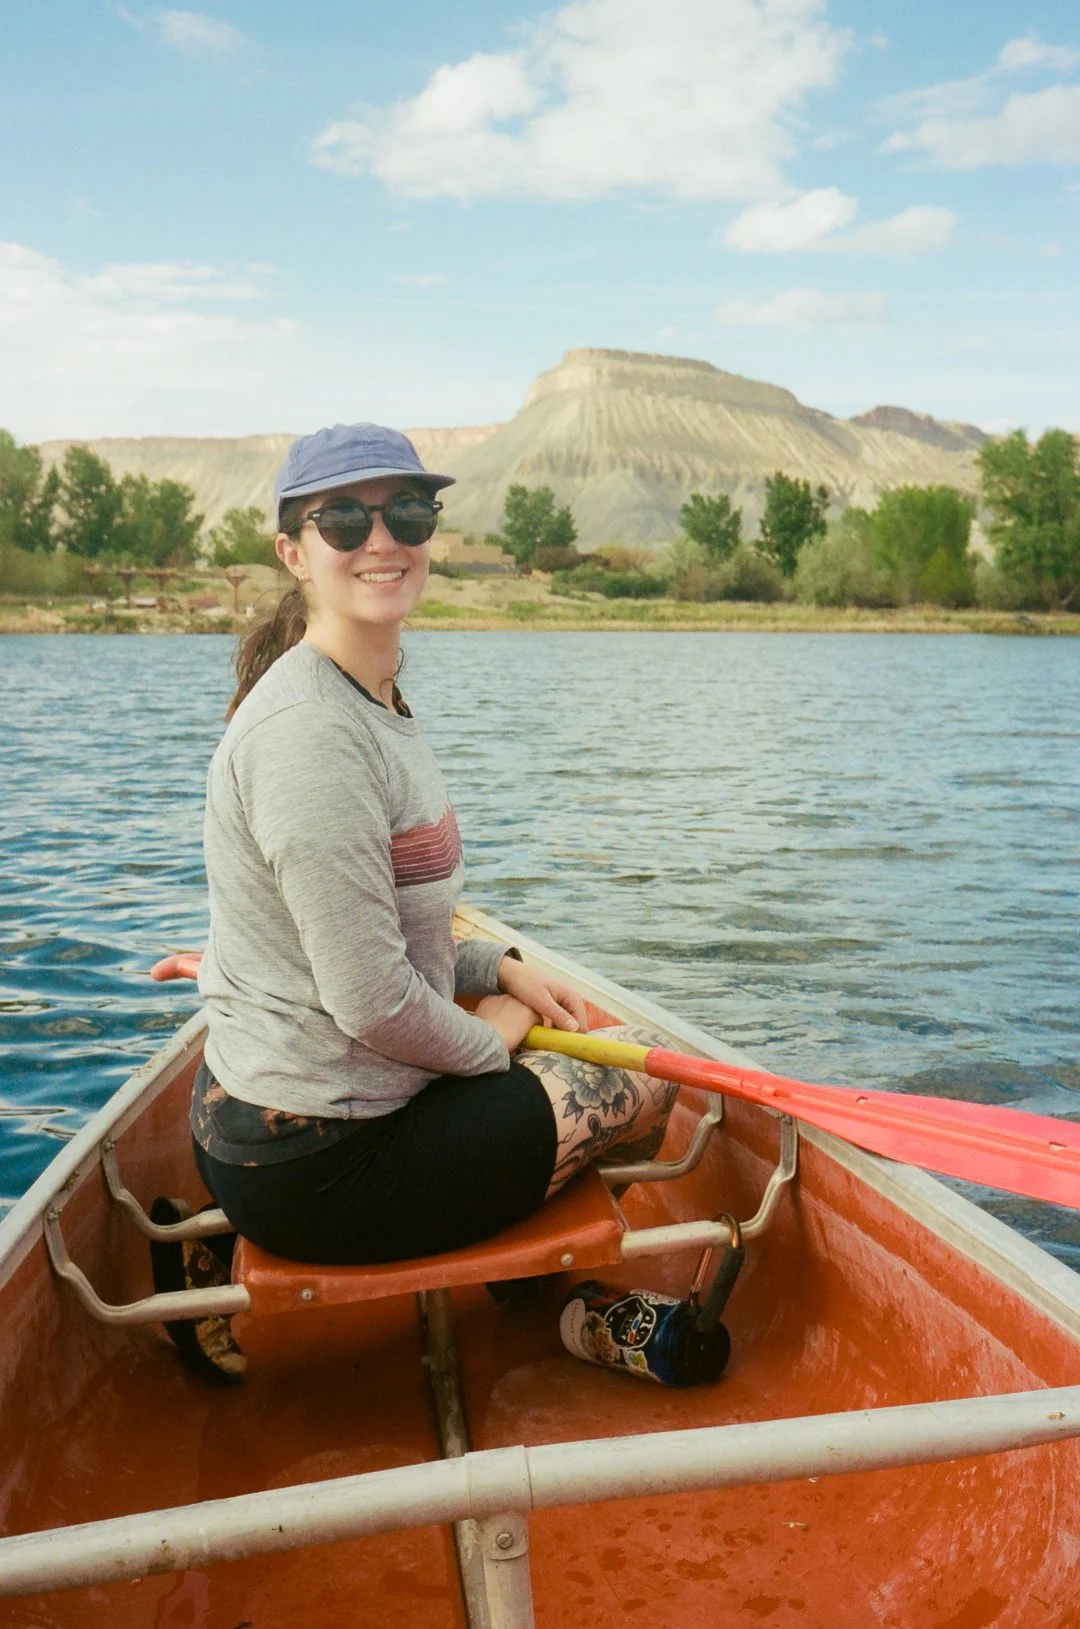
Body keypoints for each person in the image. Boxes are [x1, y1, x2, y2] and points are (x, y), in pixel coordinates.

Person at [191, 422, 677, 1266]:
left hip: (286, 1119)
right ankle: (539, 1289)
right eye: (343, 520)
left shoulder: (368, 694)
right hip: (323, 1163)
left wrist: (497, 967)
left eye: (407, 513)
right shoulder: (311, 735)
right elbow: (374, 1000)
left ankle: (515, 1242)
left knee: (590, 1050)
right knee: (653, 1074)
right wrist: (494, 1039)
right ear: (294, 553)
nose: (381, 540)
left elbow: (390, 929)